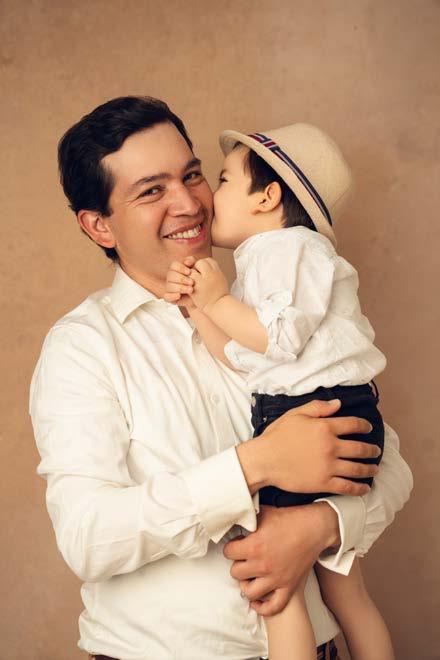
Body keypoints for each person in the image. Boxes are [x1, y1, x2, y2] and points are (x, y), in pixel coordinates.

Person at [29, 96, 412, 660]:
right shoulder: (83, 346)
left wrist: (322, 525)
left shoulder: (275, 308)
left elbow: (391, 465)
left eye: (192, 175)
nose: (189, 204)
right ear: (99, 225)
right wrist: (255, 465)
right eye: (151, 191)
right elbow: (89, 537)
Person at [165, 123, 395, 660]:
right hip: (319, 409)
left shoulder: (288, 248)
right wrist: (199, 309)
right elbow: (246, 357)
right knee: (346, 593)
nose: (210, 195)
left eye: (224, 179)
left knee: (275, 589)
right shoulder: (269, 258)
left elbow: (279, 338)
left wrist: (216, 301)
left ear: (268, 197)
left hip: (316, 414)